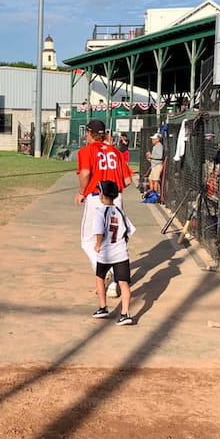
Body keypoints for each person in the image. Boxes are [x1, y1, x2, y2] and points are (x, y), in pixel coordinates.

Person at [75, 119, 132, 292]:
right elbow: (127, 180)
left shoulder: (86, 151)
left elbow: (85, 173)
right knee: (115, 240)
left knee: (88, 240)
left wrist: (81, 192)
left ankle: (100, 267)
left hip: (96, 198)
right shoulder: (115, 151)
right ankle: (115, 285)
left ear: (89, 133)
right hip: (116, 199)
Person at [91, 180, 136, 326]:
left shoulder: (100, 212)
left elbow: (99, 232)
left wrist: (98, 245)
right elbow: (129, 231)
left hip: (106, 253)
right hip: (121, 252)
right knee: (124, 283)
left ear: (102, 195)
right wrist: (123, 243)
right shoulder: (120, 212)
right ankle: (125, 314)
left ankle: (103, 307)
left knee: (100, 278)